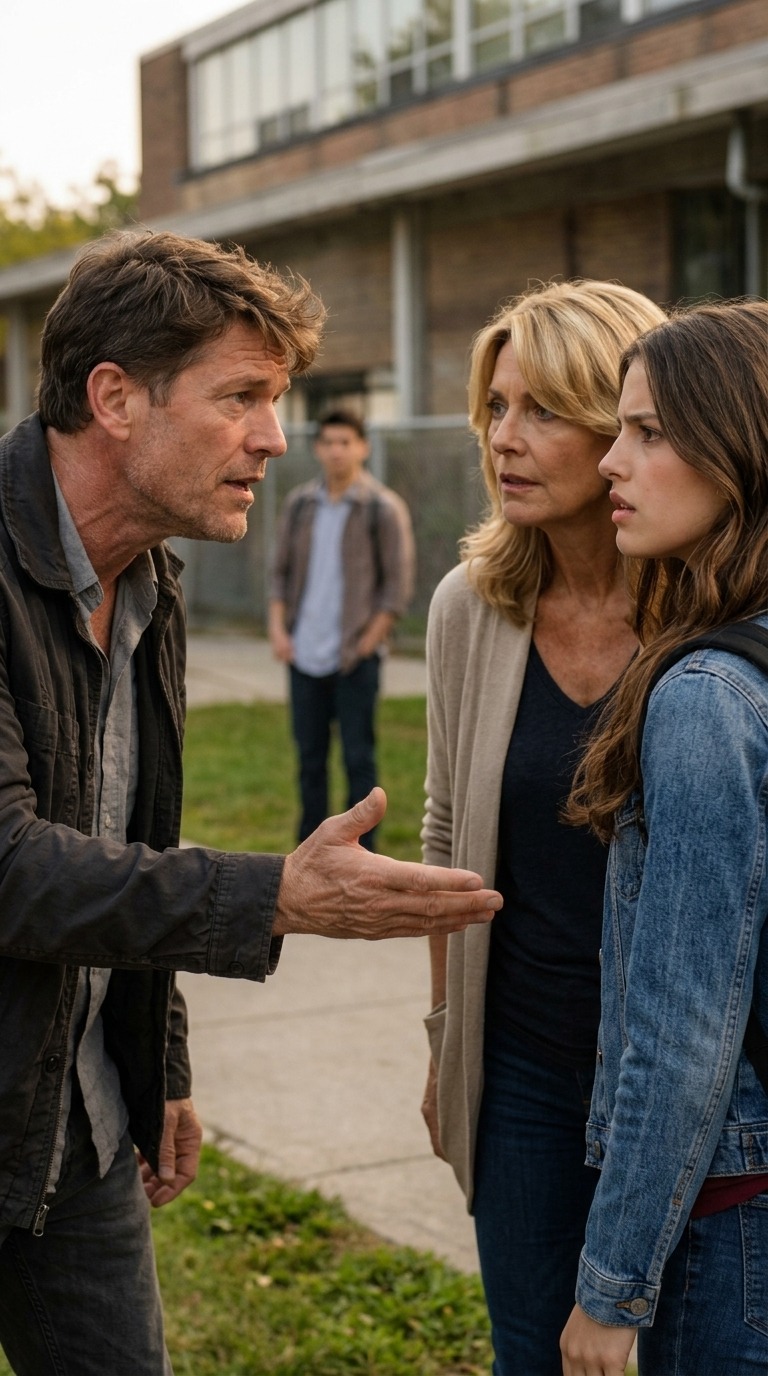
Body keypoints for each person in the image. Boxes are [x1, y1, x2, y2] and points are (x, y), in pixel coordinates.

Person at [0, 228, 502, 1376]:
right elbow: (13, 865)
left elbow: (125, 836)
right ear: (114, 397)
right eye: (241, 398)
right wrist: (277, 892)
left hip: (77, 1121)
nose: (275, 436)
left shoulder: (149, 580)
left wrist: (159, 1057)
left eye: (277, 401)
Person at [419, 279, 666, 1375]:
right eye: (495, 407)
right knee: (532, 1351)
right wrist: (447, 1041)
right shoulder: (470, 606)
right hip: (520, 1059)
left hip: (678, 1081)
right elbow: (446, 836)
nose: (503, 439)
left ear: (628, 428)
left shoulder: (710, 609)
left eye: (544, 410)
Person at [561, 300, 768, 1376]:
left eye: (649, 432)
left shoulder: (709, 695)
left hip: (734, 1224)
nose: (611, 461)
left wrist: (612, 1286)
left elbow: (686, 1028)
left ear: (740, 453)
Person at [269, 408, 415, 850]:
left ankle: (362, 854)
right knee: (309, 763)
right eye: (329, 442)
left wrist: (368, 641)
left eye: (345, 442)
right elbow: (279, 573)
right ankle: (309, 855)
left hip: (355, 658)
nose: (336, 451)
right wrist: (279, 631)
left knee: (358, 760)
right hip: (304, 655)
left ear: (363, 447)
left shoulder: (382, 508)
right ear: (317, 448)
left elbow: (397, 587)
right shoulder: (300, 506)